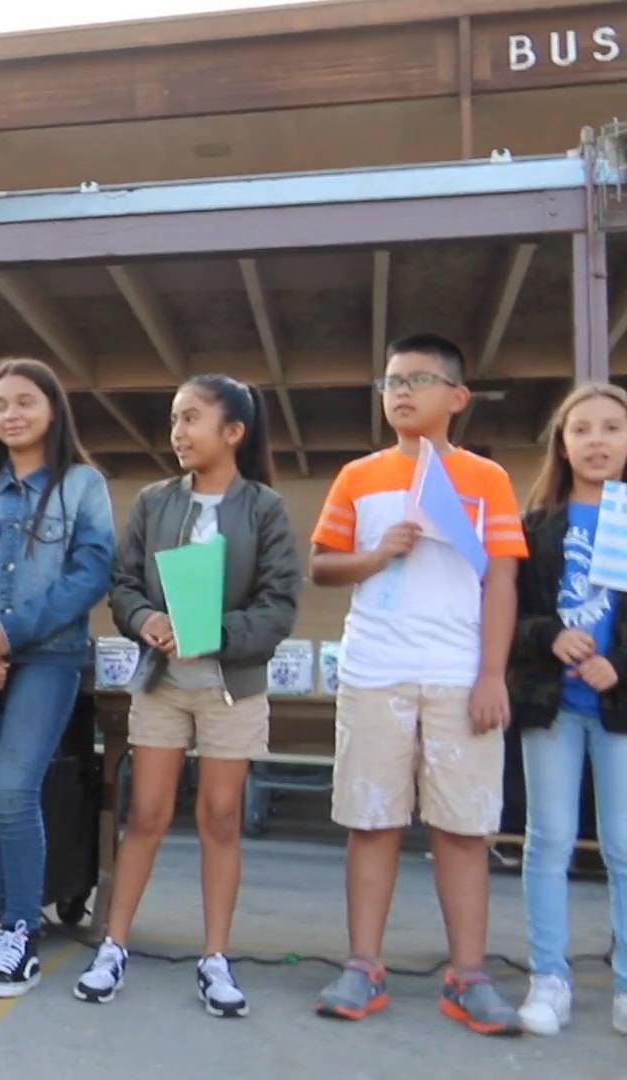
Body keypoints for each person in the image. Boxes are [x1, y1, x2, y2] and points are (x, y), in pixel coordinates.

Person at [307, 333, 526, 1035]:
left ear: (458, 398)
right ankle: (362, 966)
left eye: (419, 380)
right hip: (374, 671)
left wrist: (491, 674)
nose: (401, 392)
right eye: (391, 382)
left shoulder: (487, 478)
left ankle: (470, 976)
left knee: (463, 830)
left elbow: (502, 583)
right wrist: (376, 555)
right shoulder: (358, 475)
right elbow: (321, 566)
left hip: (460, 675)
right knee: (372, 822)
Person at [77, 375, 301, 1016]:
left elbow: (280, 604)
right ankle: (113, 945)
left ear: (233, 432)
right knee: (146, 813)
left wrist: (215, 635)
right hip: (163, 683)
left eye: (192, 418)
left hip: (232, 688)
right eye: (175, 418)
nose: (178, 431)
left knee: (221, 818)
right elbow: (124, 584)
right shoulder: (154, 501)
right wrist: (144, 618)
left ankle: (215, 958)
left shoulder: (264, 508)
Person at [0, 357, 114, 998]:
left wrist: (13, 631)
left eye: (25, 402)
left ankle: (21, 934)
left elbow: (92, 572)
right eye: (0, 404)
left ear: (53, 409)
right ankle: (5, 926)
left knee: (14, 788)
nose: (11, 414)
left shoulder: (83, 485)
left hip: (49, 656)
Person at [507, 382, 627, 1037]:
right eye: (581, 429)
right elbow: (508, 616)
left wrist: (620, 666)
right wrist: (550, 634)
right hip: (552, 705)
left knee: (624, 845)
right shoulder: (536, 526)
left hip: (619, 709)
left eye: (612, 427)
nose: (597, 441)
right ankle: (548, 977)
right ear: (562, 443)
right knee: (548, 840)